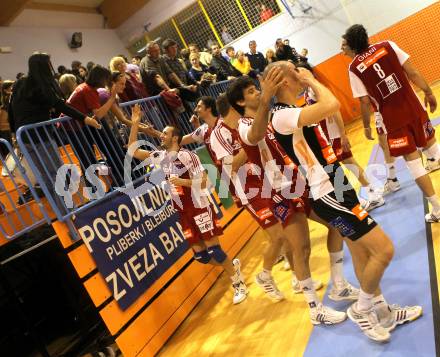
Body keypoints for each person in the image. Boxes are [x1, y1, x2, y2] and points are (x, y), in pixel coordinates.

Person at [267, 60, 422, 342]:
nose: (299, 69)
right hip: (326, 192)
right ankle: (363, 309)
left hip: (336, 185)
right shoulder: (280, 115)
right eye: (292, 68)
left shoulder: (293, 110)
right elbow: (332, 105)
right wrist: (313, 81)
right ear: (284, 81)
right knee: (384, 251)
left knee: (362, 253)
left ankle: (383, 312)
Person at [227, 74, 359, 308]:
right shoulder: (244, 126)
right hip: (280, 192)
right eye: (250, 92)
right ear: (240, 103)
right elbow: (255, 137)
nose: (257, 92)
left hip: (297, 182)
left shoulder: (269, 118)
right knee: (301, 248)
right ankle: (314, 308)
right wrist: (267, 96)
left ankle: (338, 284)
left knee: (337, 224)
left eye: (255, 89)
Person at [127, 106, 248, 305]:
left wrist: (182, 182)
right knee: (201, 256)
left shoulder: (187, 156)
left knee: (214, 251)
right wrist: (134, 123)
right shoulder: (160, 156)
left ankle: (238, 283)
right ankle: (232, 267)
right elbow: (133, 150)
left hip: (199, 205)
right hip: (182, 210)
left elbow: (205, 182)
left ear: (175, 138)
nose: (161, 136)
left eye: (165, 134)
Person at [341, 24, 440, 222]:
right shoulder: (388, 45)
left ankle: (437, 210)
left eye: (344, 44)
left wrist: (367, 126)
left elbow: (364, 101)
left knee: (414, 165)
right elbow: (412, 72)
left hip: (393, 121)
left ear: (352, 45)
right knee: (434, 150)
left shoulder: (354, 68)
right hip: (415, 109)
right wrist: (428, 92)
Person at [8, 53, 100, 210]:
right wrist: (85, 118)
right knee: (56, 175)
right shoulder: (41, 84)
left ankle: (61, 212)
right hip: (40, 136)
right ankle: (68, 211)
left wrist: (14, 134)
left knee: (45, 177)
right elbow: (59, 105)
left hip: (24, 137)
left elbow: (11, 111)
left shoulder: (20, 83)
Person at [0, 80, 14, 156]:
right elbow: (3, 123)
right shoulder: (5, 104)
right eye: (10, 87)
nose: (12, 89)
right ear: (5, 90)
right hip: (6, 131)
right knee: (9, 153)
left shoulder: (9, 99)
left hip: (8, 130)